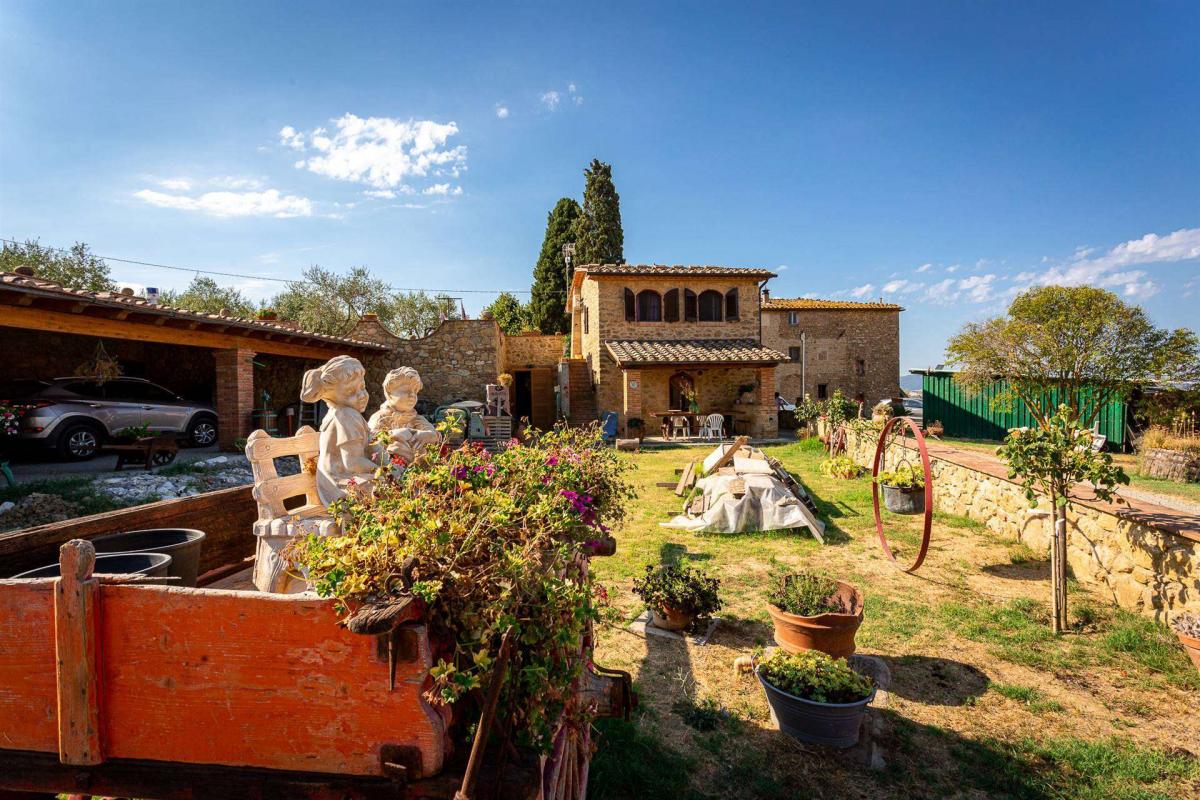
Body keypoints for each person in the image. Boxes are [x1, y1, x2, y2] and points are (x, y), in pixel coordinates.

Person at [300, 355, 377, 506]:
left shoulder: (347, 413)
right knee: (394, 490)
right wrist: (384, 471)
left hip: (339, 482)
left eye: (362, 388)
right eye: (350, 392)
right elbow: (353, 462)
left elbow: (370, 444)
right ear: (330, 396)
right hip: (339, 489)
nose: (361, 395)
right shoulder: (345, 415)